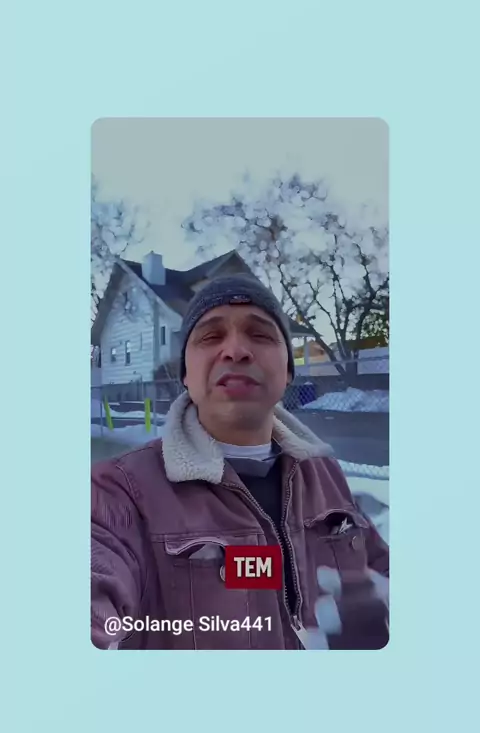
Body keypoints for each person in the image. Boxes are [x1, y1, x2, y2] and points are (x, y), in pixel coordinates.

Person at [91, 274, 389, 650]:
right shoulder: (119, 490)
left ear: (289, 370)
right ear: (185, 373)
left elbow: (383, 568)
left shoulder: (324, 472)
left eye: (260, 334)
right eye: (210, 336)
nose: (236, 351)